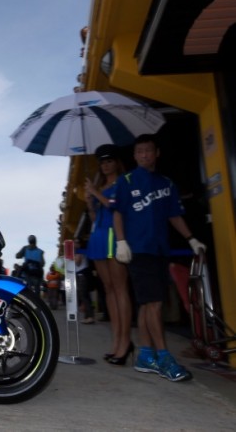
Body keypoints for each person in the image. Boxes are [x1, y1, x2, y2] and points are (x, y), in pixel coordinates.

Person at [113, 134, 206, 382]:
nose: (144, 155)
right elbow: (118, 213)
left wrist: (191, 239)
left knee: (148, 305)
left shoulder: (166, 183)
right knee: (154, 303)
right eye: (139, 151)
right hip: (138, 250)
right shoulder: (126, 181)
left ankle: (145, 355)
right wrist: (121, 242)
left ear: (157, 153)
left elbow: (174, 215)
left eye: (148, 151)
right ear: (134, 156)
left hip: (160, 250)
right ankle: (164, 356)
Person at [84, 144, 132, 362]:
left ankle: (125, 341)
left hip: (116, 236)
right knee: (108, 290)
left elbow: (118, 207)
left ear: (116, 162)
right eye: (102, 162)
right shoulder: (99, 185)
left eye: (109, 161)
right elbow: (95, 219)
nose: (105, 165)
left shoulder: (123, 181)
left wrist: (96, 193)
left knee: (120, 289)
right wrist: (90, 203)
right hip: (98, 237)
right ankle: (117, 341)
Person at [74, 239, 95, 324]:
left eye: (75, 243)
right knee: (85, 296)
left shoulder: (79, 251)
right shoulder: (84, 251)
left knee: (84, 296)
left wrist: (72, 258)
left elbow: (78, 262)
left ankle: (90, 316)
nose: (74, 244)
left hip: (82, 274)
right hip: (84, 274)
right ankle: (88, 316)